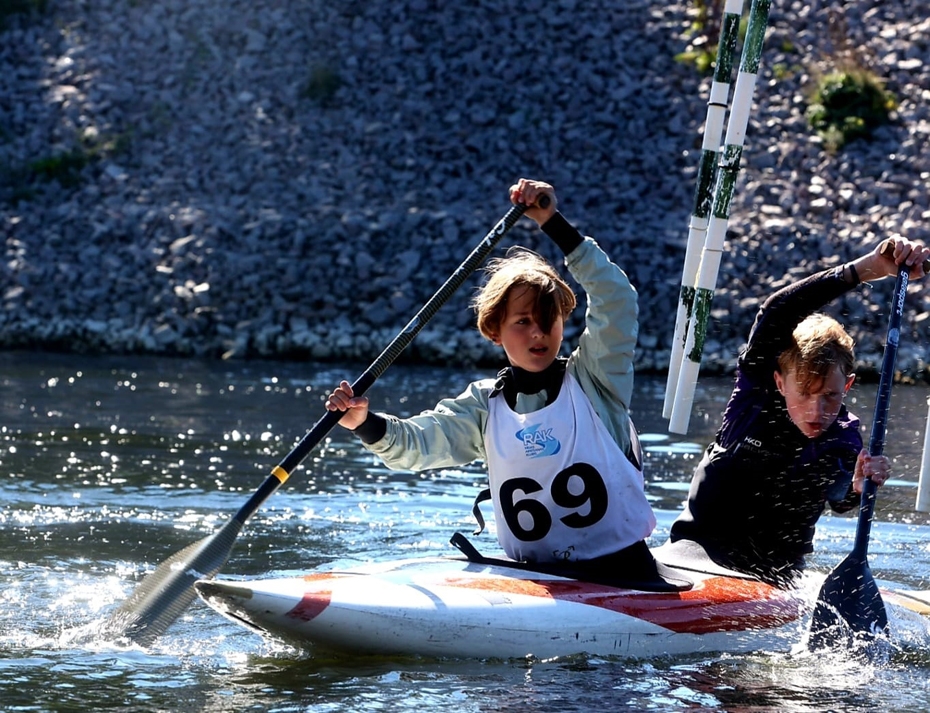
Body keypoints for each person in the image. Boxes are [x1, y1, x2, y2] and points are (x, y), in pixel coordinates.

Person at [325, 178, 659, 580]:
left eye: (547, 320)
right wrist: (364, 422)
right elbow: (416, 446)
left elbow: (616, 298)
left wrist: (553, 223)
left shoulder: (597, 379)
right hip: (536, 579)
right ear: (494, 331)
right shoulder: (485, 406)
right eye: (522, 322)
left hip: (624, 573)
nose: (538, 332)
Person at [664, 236, 930, 586]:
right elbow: (777, 311)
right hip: (691, 558)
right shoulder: (754, 398)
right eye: (805, 393)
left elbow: (840, 496)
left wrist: (858, 485)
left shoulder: (845, 437)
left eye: (831, 396)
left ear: (848, 386)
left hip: (778, 581)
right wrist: (867, 269)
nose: (817, 411)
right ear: (779, 382)